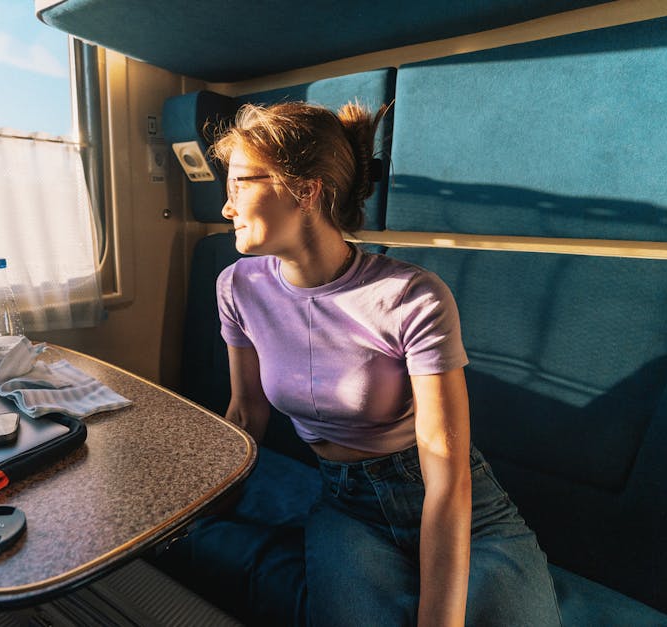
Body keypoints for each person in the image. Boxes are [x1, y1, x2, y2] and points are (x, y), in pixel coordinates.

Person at [212, 101, 561, 626]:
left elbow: (446, 471)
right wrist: (197, 511)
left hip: (457, 505)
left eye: (240, 183)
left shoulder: (412, 296)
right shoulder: (238, 288)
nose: (226, 206)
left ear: (305, 189)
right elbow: (244, 415)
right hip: (346, 506)